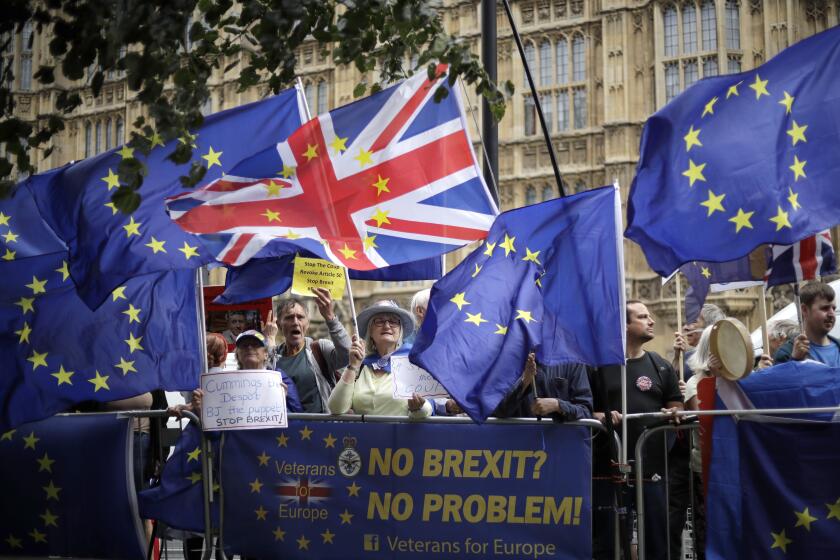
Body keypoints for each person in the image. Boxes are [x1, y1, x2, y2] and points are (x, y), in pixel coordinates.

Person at [588, 300, 684, 560]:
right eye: (643, 317)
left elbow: (676, 406)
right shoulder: (598, 366)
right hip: (607, 471)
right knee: (607, 543)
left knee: (656, 542)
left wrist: (673, 413)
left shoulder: (660, 365)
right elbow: (583, 406)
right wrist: (596, 415)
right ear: (625, 326)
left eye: (650, 316)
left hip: (651, 471)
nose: (651, 321)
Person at [328, 300, 432, 418]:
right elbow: (335, 408)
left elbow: (428, 408)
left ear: (400, 331)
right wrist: (352, 366)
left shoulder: (413, 362)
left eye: (393, 321)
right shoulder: (361, 366)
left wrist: (418, 408)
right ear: (370, 330)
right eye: (379, 321)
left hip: (399, 435)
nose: (387, 326)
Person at [262, 288, 350, 413]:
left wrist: (331, 318)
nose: (295, 322)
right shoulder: (274, 355)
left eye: (300, 317)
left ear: (307, 324)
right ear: (279, 325)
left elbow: (348, 355)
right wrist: (270, 341)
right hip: (287, 430)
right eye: (289, 318)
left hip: (323, 429)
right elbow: (264, 383)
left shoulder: (319, 349)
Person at [184, 330, 302, 416]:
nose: (249, 348)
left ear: (266, 354)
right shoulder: (225, 385)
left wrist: (282, 401)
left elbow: (298, 417)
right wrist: (200, 409)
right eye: (244, 346)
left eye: (255, 345)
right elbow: (216, 431)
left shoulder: (279, 378)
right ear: (237, 355)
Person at [495, 353, 593, 420]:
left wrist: (558, 405)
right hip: (518, 445)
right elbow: (498, 411)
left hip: (560, 444)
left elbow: (586, 412)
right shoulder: (508, 360)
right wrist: (524, 383)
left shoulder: (573, 362)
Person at [774, 282, 840, 366]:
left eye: (833, 309)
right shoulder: (786, 353)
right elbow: (781, 378)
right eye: (825, 308)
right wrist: (794, 360)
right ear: (804, 310)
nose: (831, 314)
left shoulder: (838, 347)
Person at [672, 303, 725, 378]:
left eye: (693, 322)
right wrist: (677, 358)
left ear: (709, 327)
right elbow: (671, 384)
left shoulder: (724, 358)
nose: (685, 328)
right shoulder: (686, 357)